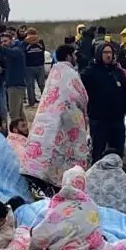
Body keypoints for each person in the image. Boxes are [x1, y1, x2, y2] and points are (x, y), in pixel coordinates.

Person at [21, 45, 92, 188]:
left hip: (49, 117)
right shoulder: (70, 73)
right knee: (65, 149)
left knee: (50, 148)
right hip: (66, 120)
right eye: (74, 55)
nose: (76, 58)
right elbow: (81, 96)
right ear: (68, 56)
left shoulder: (54, 72)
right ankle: (64, 182)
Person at [81, 41, 126, 161]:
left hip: (117, 120)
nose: (108, 55)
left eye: (110, 52)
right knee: (98, 152)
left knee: (118, 152)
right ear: (99, 54)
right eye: (105, 52)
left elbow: (125, 95)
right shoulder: (90, 72)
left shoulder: (118, 72)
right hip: (99, 120)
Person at [1, 30, 29, 123]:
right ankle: (25, 131)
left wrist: (0, 48)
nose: (3, 44)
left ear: (11, 40)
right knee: (19, 112)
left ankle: (17, 134)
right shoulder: (10, 51)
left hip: (16, 85)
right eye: (2, 42)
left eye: (5, 41)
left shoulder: (17, 49)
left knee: (14, 113)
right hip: (12, 84)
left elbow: (13, 53)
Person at [24, 30, 48, 105]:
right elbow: (25, 50)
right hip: (29, 66)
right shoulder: (25, 43)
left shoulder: (40, 41)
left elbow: (42, 49)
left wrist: (34, 42)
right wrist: (29, 42)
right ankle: (32, 101)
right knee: (31, 85)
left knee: (41, 84)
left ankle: (45, 101)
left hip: (38, 65)